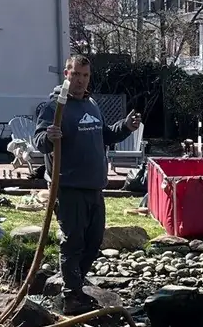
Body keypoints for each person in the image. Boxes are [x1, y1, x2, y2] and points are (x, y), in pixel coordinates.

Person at [33, 56, 141, 311]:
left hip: (94, 187)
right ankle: (72, 296)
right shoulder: (53, 106)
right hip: (69, 187)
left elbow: (104, 134)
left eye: (85, 75)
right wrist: (49, 137)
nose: (80, 80)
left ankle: (74, 285)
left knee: (93, 243)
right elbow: (38, 141)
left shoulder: (91, 104)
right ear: (66, 74)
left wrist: (125, 126)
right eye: (76, 74)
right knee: (73, 242)